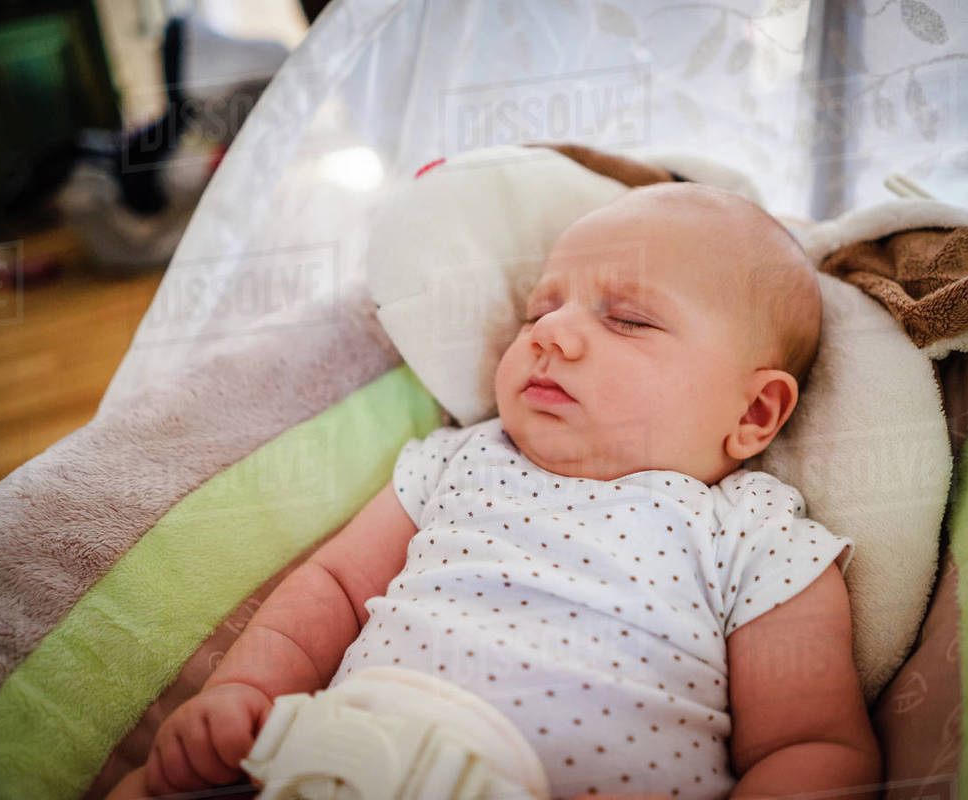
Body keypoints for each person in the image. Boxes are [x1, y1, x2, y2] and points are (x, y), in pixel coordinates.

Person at [110, 183, 880, 799]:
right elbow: (337, 587)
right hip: (342, 762)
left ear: (753, 413)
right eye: (541, 309)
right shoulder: (461, 459)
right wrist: (242, 693)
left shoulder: (755, 533)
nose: (552, 334)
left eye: (630, 320)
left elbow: (812, 747)